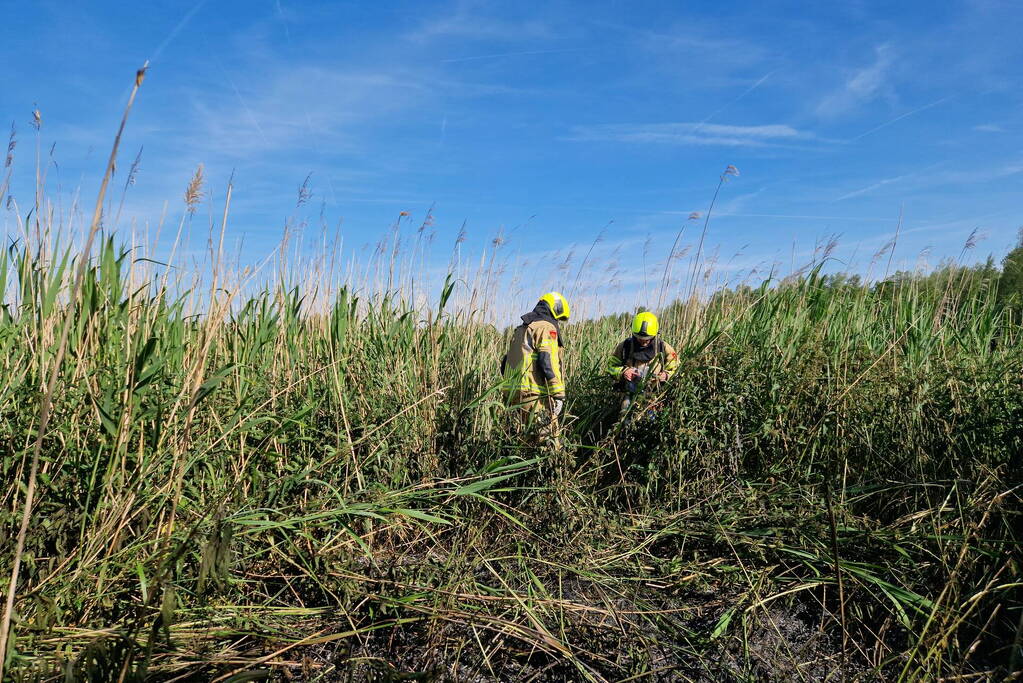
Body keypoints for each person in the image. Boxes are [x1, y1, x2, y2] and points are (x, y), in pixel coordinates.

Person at [502, 292, 570, 433]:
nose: (558, 322)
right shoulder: (546, 327)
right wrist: (558, 394)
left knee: (523, 439)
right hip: (533, 396)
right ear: (556, 308)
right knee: (548, 439)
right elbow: (546, 361)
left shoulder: (521, 329)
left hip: (512, 396)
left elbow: (505, 362)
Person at [606, 311, 679, 417]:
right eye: (639, 338)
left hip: (654, 398)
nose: (643, 341)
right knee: (625, 416)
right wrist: (623, 372)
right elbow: (610, 367)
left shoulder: (664, 348)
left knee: (651, 420)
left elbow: (676, 368)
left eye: (647, 339)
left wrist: (666, 375)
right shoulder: (624, 347)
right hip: (629, 396)